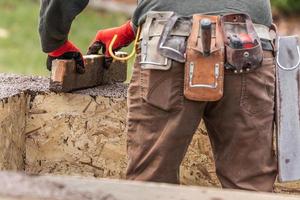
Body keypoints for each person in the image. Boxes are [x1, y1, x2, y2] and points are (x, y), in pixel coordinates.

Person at [39, 0, 277, 192]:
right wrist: (132, 27)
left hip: (168, 49)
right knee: (249, 188)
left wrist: (54, 40)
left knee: (151, 188)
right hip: (250, 46)